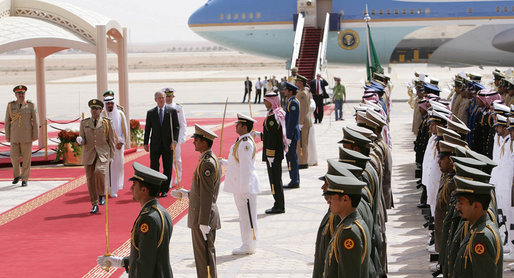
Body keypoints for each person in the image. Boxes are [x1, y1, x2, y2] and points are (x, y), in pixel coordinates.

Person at [96, 162, 173, 278]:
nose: (131, 188)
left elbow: (145, 262)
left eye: (134, 184)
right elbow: (151, 252)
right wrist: (121, 262)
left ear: (144, 190)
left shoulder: (148, 219)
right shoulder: (162, 212)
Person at [171, 124, 221, 278]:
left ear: (204, 143)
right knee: (203, 257)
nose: (193, 142)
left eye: (196, 140)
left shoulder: (207, 163)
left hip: (203, 217)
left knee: (204, 258)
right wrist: (187, 194)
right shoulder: (207, 159)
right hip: (201, 216)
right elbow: (202, 191)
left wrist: (204, 222)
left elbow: (207, 194)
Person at [220, 113, 260, 255]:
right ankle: (248, 243)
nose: (235, 126)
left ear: (244, 127)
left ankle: (248, 245)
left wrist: (245, 189)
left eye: (238, 124)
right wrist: (224, 162)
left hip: (245, 187)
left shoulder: (245, 144)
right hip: (241, 185)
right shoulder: (241, 141)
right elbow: (236, 162)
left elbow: (246, 168)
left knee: (246, 216)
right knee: (244, 216)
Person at [451, 176, 503, 277]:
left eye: (461, 203)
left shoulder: (481, 237)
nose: (457, 207)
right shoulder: (477, 228)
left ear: (476, 206)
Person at [322, 174, 371, 278]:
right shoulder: (348, 224)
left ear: (345, 199)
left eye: (332, 197)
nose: (329, 201)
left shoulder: (349, 232)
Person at [77, 99, 115, 214]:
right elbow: (83, 138)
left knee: (99, 171)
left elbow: (111, 140)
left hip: (103, 153)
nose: (94, 111)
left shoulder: (106, 123)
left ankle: (101, 194)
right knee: (90, 179)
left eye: (96, 109)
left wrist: (112, 155)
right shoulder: (84, 123)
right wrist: (80, 140)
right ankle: (94, 203)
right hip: (89, 154)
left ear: (101, 110)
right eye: (92, 109)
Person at [252, 91, 287, 214]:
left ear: (271, 102)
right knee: (276, 180)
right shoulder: (275, 114)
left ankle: (279, 205)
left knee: (275, 180)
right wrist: (259, 135)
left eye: (266, 100)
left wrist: (270, 155)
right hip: (275, 153)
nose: (264, 102)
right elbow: (271, 135)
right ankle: (278, 203)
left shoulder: (273, 117)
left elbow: (272, 139)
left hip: (273, 155)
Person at [144, 91, 180, 197]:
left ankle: (164, 189)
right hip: (155, 144)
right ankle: (155, 188)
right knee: (154, 166)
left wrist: (175, 141)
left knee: (167, 167)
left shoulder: (171, 111)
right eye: (159, 98)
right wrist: (145, 143)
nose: (161, 100)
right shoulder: (151, 113)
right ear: (155, 100)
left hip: (168, 144)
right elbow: (147, 129)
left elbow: (176, 127)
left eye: (163, 98)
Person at [4, 85, 39, 187]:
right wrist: (8, 135)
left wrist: (35, 135)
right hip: (14, 136)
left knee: (26, 159)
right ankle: (16, 176)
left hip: (26, 137)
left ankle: (24, 178)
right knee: (14, 158)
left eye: (23, 93)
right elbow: (7, 121)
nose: (21, 95)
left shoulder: (30, 105)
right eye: (19, 93)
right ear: (15, 95)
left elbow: (36, 121)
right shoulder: (11, 106)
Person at [101, 93, 129, 198]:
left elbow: (124, 130)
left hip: (118, 146)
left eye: (111, 103)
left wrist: (121, 142)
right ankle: (105, 188)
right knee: (106, 168)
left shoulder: (120, 114)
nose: (110, 106)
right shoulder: (102, 115)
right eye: (107, 104)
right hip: (106, 147)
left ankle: (114, 189)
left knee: (117, 167)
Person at [163, 87, 187, 188]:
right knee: (166, 160)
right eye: (166, 96)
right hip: (165, 139)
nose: (168, 98)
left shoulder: (178, 108)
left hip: (175, 139)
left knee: (177, 160)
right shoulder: (161, 107)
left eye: (170, 96)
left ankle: (178, 178)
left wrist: (180, 138)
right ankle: (169, 180)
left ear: (173, 96)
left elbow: (183, 124)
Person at [283, 82, 300, 188]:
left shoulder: (293, 103)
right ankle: (294, 179)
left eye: (286, 90)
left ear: (290, 91)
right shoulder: (290, 101)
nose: (284, 91)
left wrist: (288, 137)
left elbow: (292, 122)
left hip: (292, 135)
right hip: (291, 135)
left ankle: (295, 180)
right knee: (290, 157)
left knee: (292, 158)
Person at [295, 74, 312, 169]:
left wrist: (300, 122)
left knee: (302, 143)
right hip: (304, 120)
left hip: (303, 121)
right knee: (303, 142)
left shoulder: (302, 93)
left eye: (297, 81)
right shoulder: (303, 91)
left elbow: (303, 109)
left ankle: (302, 162)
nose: (296, 83)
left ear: (301, 83)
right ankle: (302, 160)